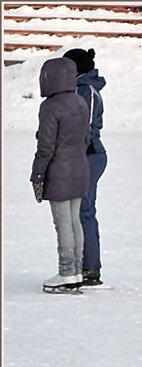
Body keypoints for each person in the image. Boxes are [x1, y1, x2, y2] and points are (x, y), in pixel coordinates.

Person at [32, 57, 90, 293]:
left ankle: (66, 272)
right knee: (75, 220)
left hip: (59, 170)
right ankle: (76, 270)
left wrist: (37, 175)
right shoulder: (80, 101)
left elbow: (46, 147)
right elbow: (86, 138)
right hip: (80, 167)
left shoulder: (50, 106)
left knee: (63, 223)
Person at [63, 47, 106, 286]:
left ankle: (90, 267)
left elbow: (86, 127)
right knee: (81, 211)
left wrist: (74, 152)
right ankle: (84, 263)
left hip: (89, 155)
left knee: (84, 211)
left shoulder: (85, 90)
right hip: (84, 154)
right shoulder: (78, 89)